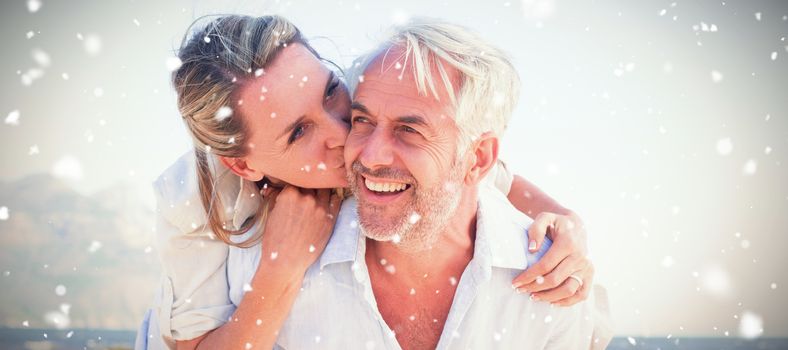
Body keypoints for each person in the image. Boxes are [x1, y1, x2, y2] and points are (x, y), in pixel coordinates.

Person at [135, 15, 597, 350]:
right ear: (244, 166)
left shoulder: (378, 117)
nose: (345, 136)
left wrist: (567, 223)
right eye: (299, 132)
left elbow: (478, 167)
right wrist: (283, 268)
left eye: (332, 93)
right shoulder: (198, 199)